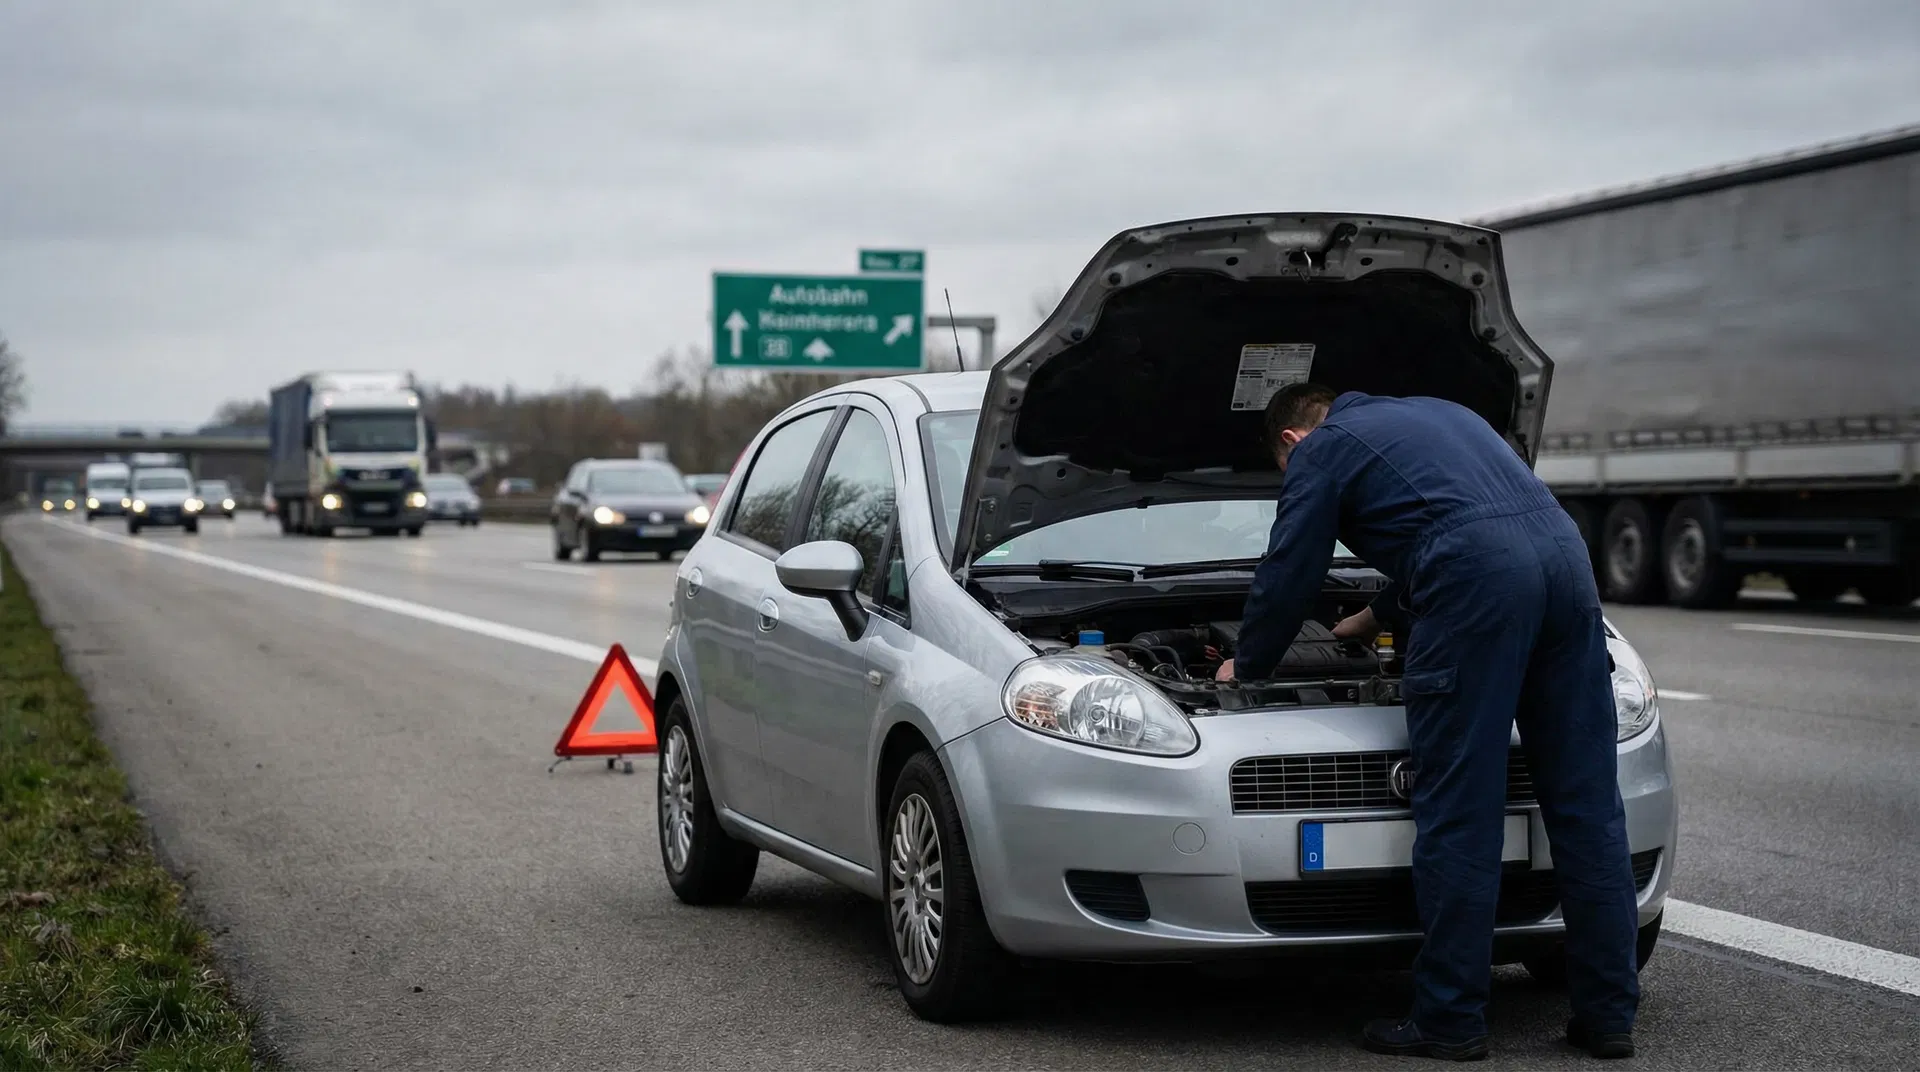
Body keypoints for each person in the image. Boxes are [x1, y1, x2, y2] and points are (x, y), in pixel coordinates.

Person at [1217, 383, 1640, 1061]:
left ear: (1292, 442)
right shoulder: (1450, 412)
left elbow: (1292, 570)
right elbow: (1475, 522)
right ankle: (1608, 1015)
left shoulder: (1320, 452)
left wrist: (1250, 663)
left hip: (1476, 588)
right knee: (1588, 807)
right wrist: (1374, 617)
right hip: (1567, 566)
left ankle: (1449, 1018)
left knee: (1460, 810)